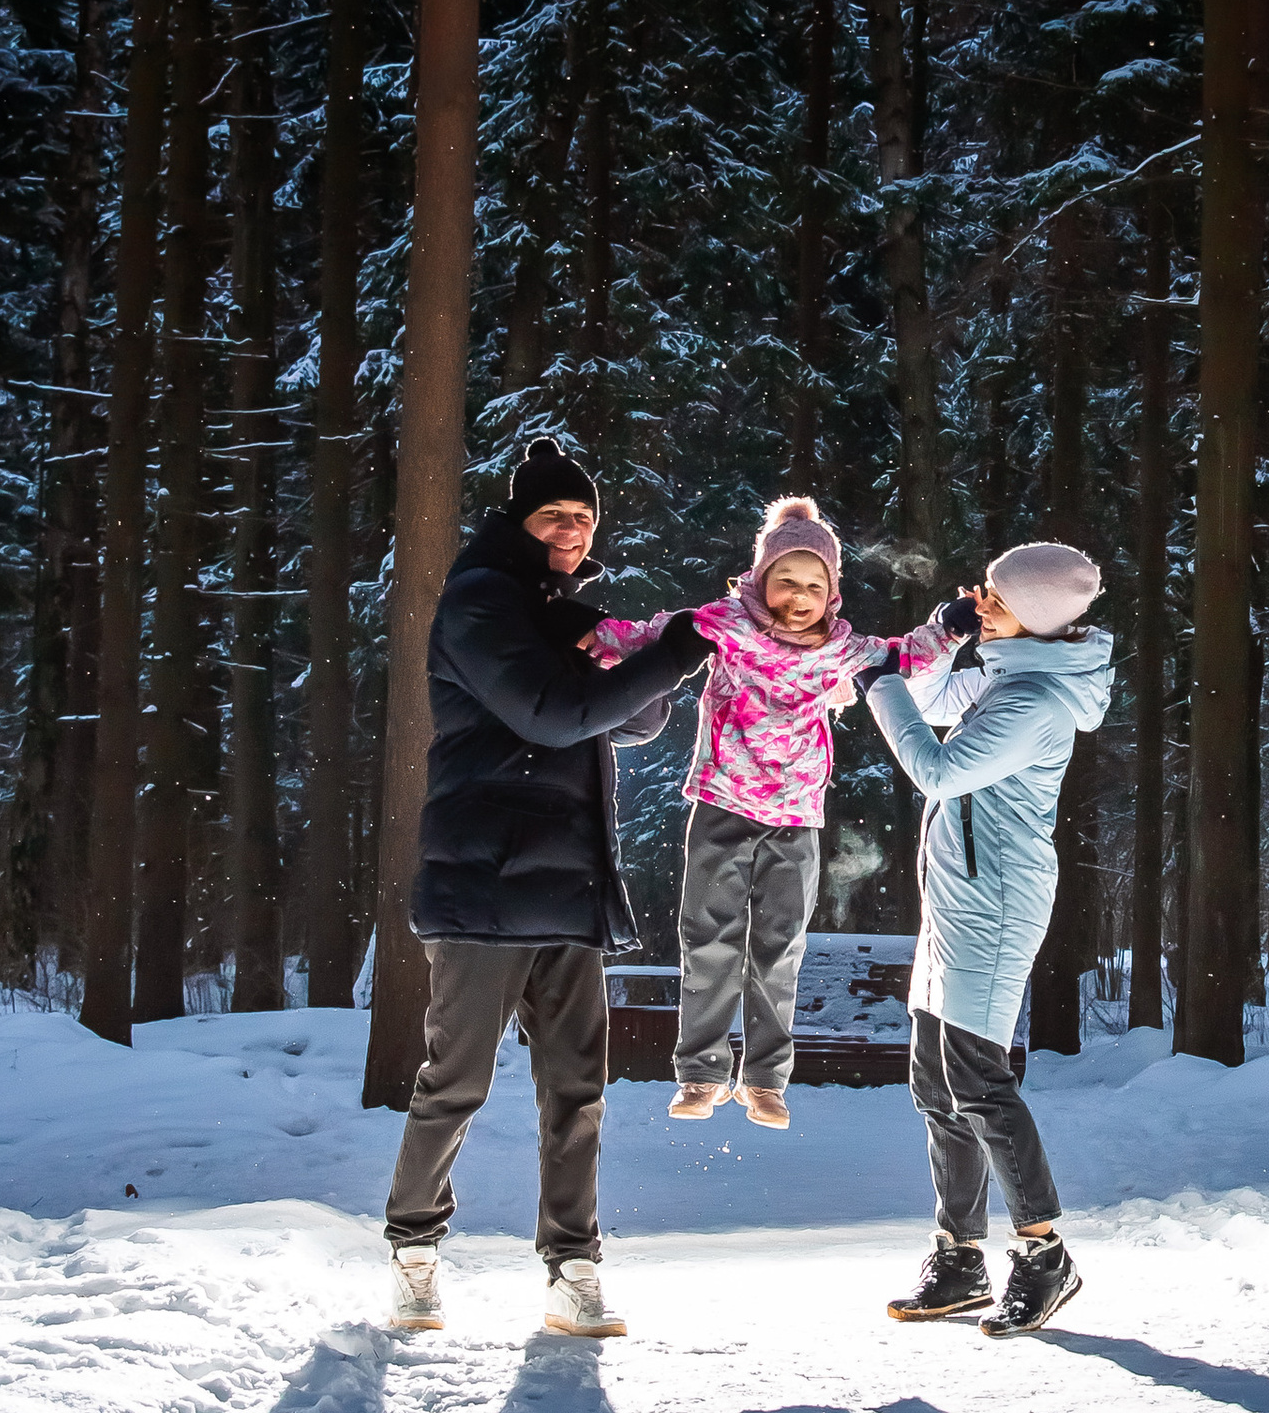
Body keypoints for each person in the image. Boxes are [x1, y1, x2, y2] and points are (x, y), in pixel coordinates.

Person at [382, 437, 709, 1337]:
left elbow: (631, 721)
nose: (571, 530)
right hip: (485, 885)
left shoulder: (559, 609)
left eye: (584, 517)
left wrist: (642, 661)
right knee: (456, 1082)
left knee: (577, 1091)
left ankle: (574, 1267)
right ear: (517, 521)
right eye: (553, 515)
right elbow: (553, 715)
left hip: (568, 884)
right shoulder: (482, 600)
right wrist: (669, 657)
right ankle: (413, 1252)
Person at [585, 495, 962, 1128]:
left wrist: (951, 625)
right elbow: (650, 637)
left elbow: (906, 656)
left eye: (815, 583)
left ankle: (764, 1080)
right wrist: (594, 637)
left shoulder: (841, 648)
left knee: (779, 947)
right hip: (723, 802)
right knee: (709, 938)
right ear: (761, 579)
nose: (799, 594)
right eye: (787, 578)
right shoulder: (724, 625)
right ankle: (702, 1074)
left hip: (796, 814)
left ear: (831, 593)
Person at [860, 540, 1113, 1336]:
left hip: (995, 904)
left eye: (996, 597)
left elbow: (936, 770)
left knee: (977, 1081)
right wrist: (945, 635)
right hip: (956, 898)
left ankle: (1044, 1254)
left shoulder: (1034, 701)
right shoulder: (1010, 675)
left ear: (1035, 617)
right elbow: (934, 698)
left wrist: (878, 682)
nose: (980, 598)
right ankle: (960, 1257)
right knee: (935, 1084)